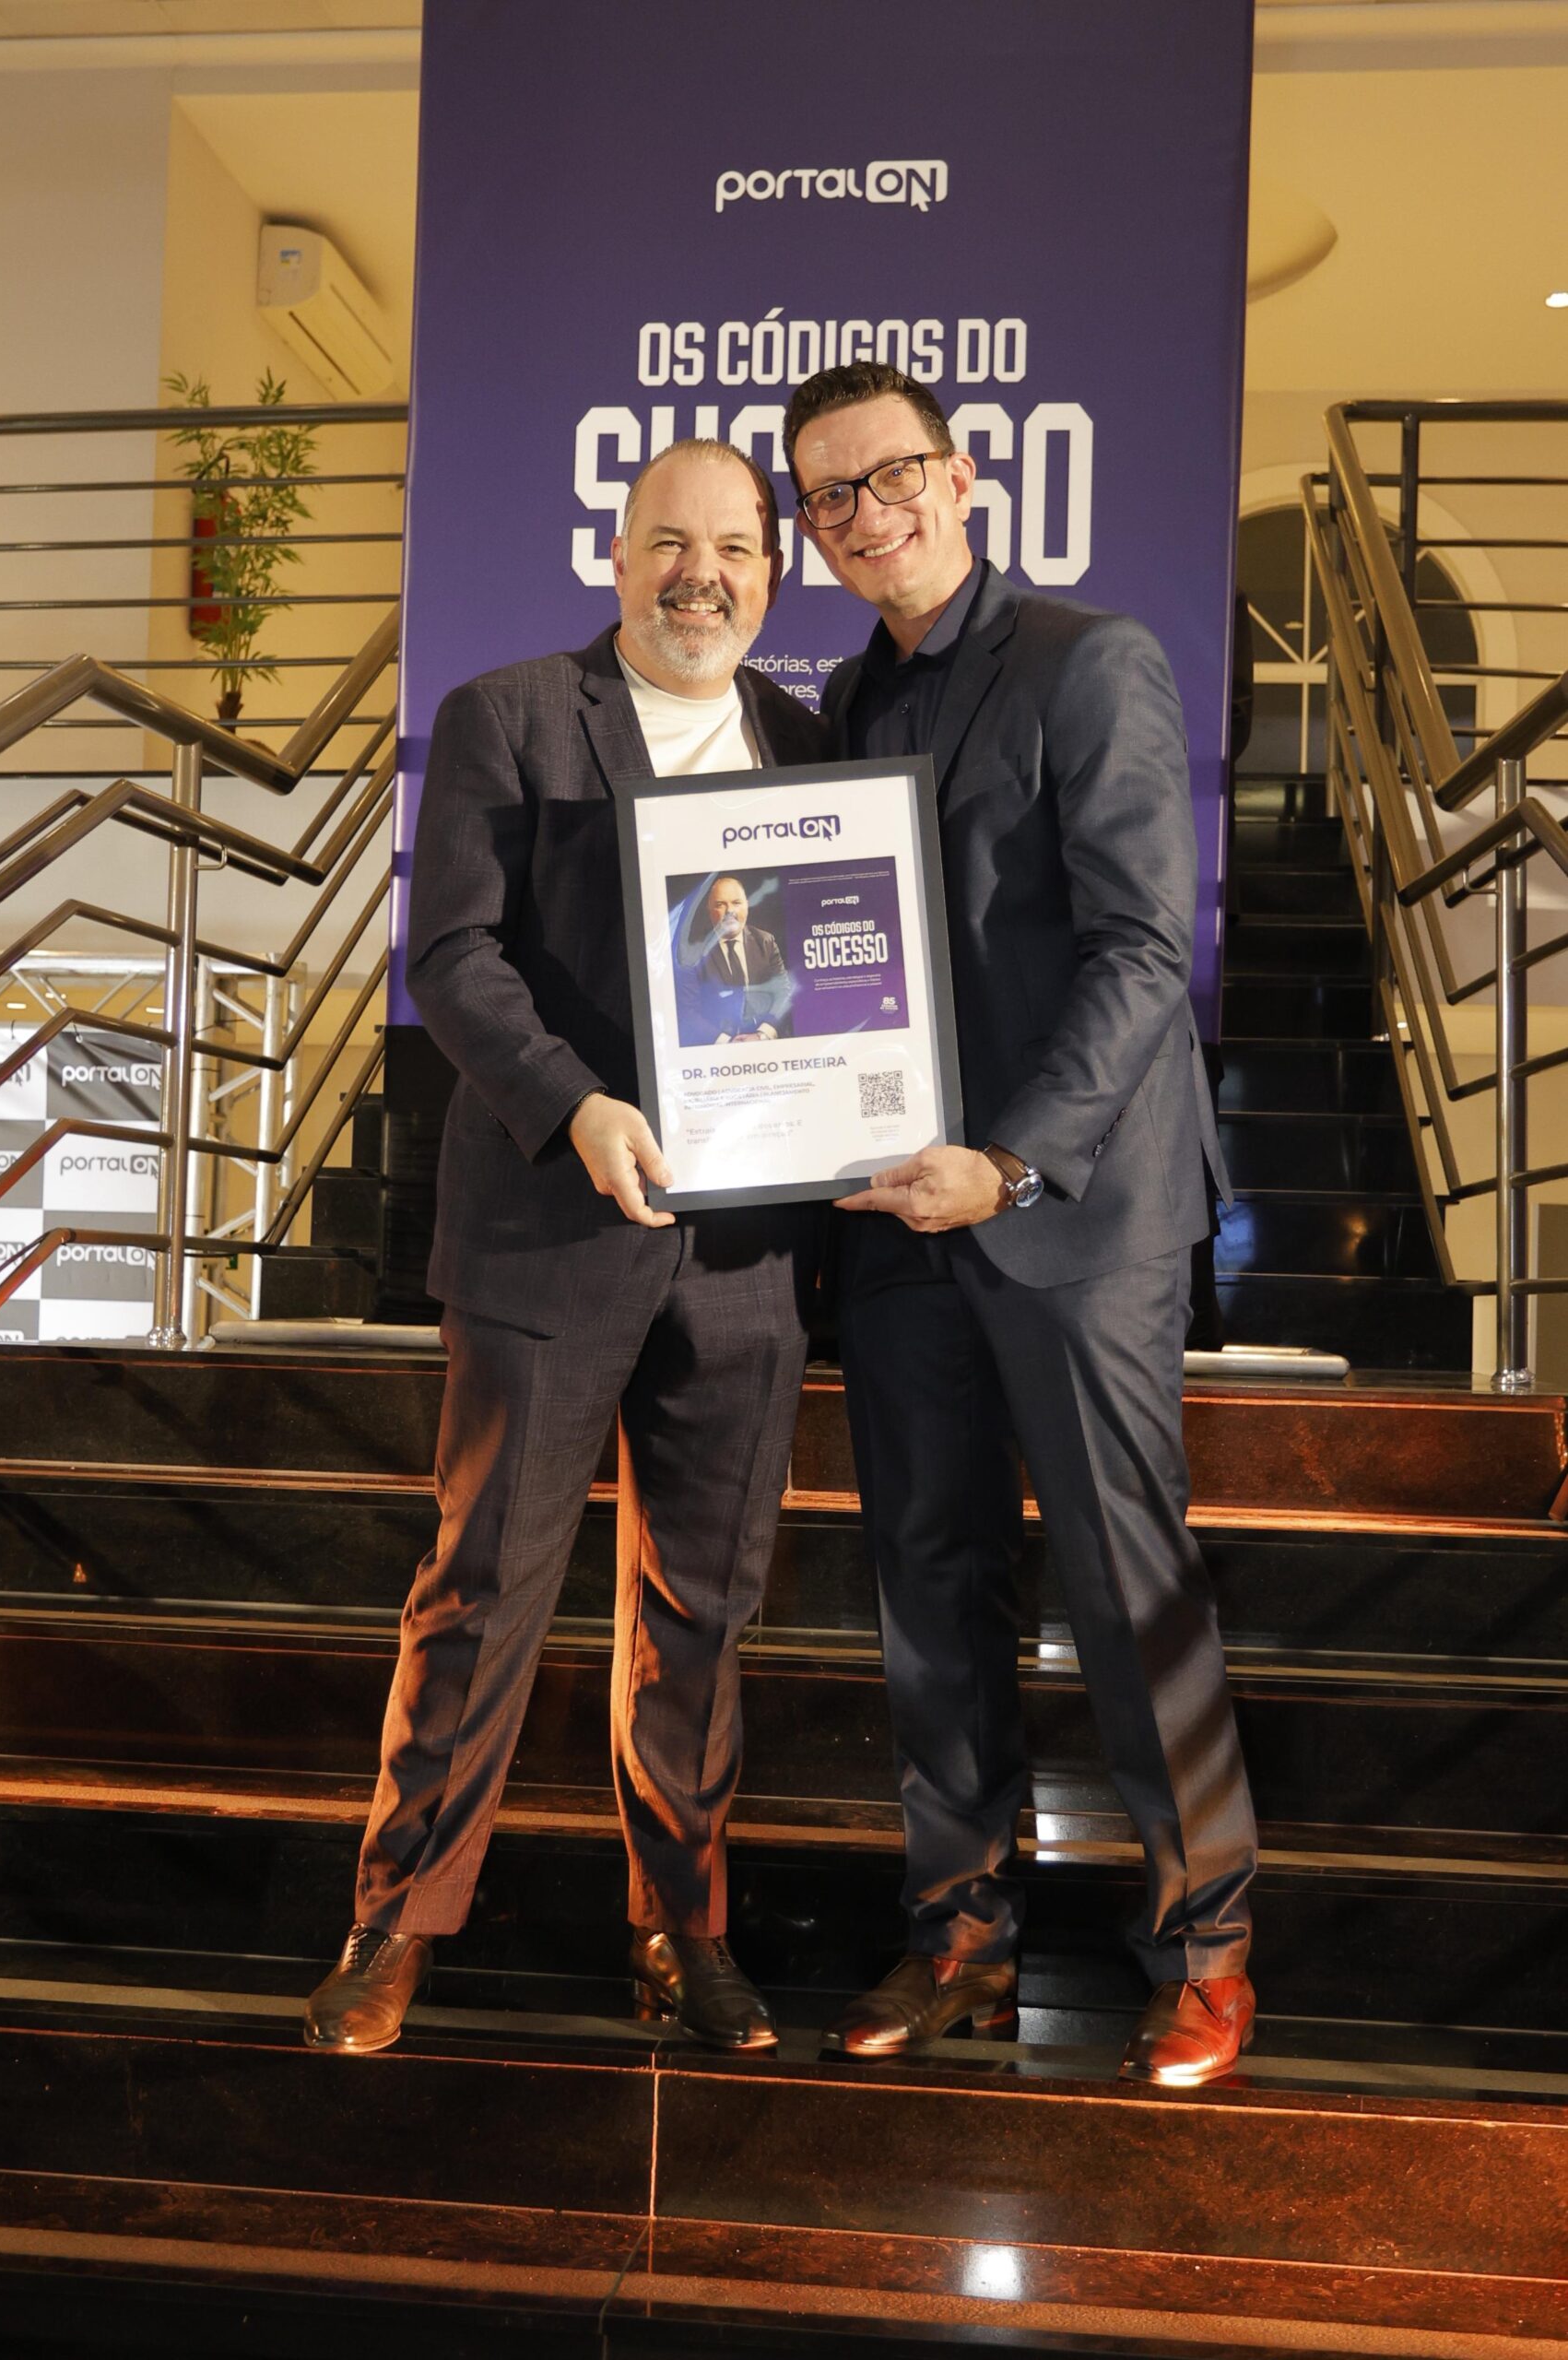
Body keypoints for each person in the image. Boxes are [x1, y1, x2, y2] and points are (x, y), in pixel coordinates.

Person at [303, 439, 824, 2058]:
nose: (699, 576)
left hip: (743, 1253)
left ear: (770, 572)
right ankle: (397, 1921)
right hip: (546, 1227)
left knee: (704, 1611)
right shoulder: (510, 714)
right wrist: (577, 1105)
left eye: (732, 548)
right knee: (482, 1591)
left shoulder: (811, 747)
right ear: (616, 555)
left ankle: (681, 1930)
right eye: (669, 542)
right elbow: (453, 956)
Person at [784, 363, 1258, 2085]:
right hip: (896, 1217)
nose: (867, 514)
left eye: (891, 474)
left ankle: (1203, 1949)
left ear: (961, 476)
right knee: (929, 1580)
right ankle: (960, 1933)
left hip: (1073, 1209)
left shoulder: (1087, 659)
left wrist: (1013, 1159)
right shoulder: (840, 705)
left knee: (1131, 1586)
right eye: (829, 497)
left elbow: (1142, 950)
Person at [678, 871, 794, 1044]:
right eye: (720, 904)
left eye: (736, 903)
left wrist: (762, 1034)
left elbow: (784, 991)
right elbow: (687, 1012)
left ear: (746, 905)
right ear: (709, 909)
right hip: (717, 1049)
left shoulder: (765, 941)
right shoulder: (692, 952)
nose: (730, 911)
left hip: (766, 1041)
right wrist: (728, 1043)